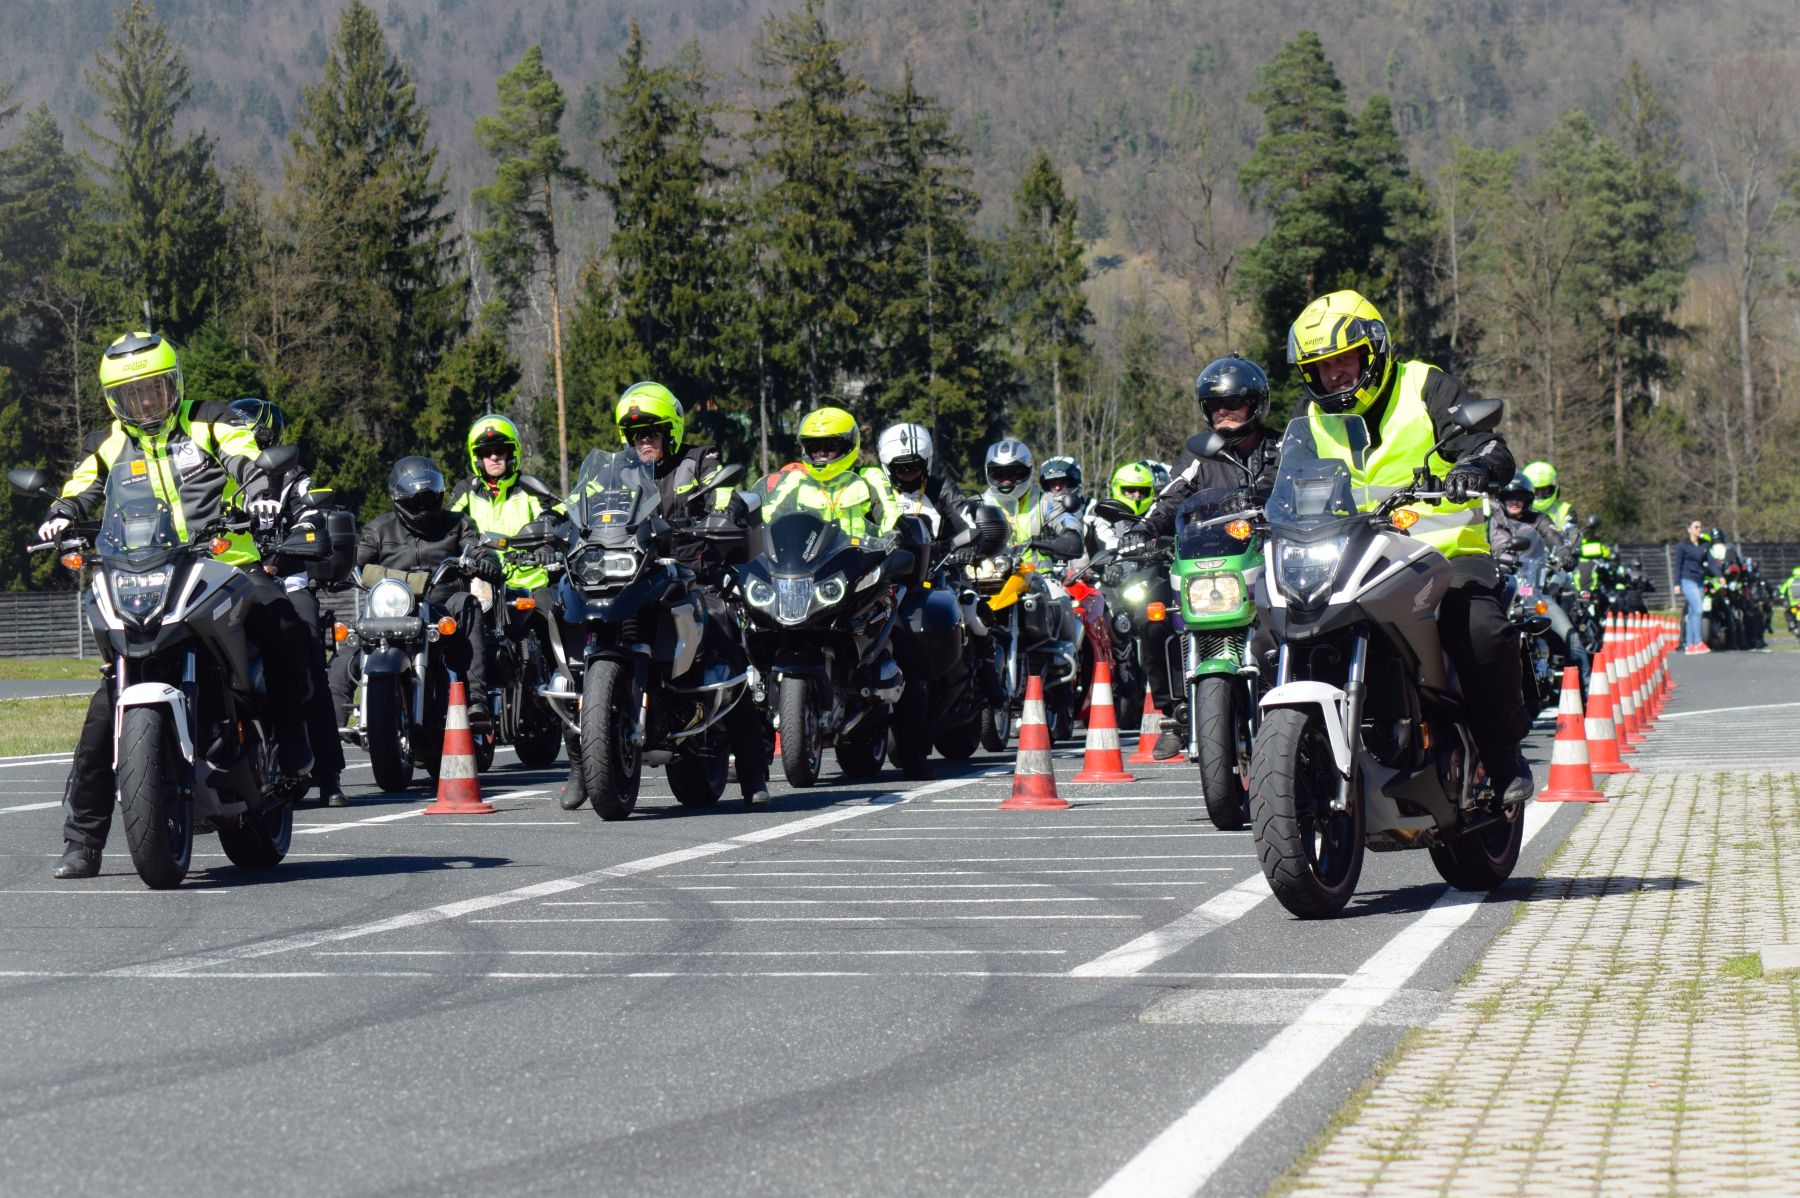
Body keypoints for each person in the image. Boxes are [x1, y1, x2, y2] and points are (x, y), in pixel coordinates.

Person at [40, 333, 317, 878]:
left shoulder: (209, 420)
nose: (146, 401)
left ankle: (292, 745)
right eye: (133, 394)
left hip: (225, 564)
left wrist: (259, 491)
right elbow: (81, 484)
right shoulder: (109, 443)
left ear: (175, 385)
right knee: (104, 707)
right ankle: (82, 841)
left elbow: (245, 456)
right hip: (144, 568)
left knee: (284, 624)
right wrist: (61, 513)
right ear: (115, 401)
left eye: (156, 389)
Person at [1286, 290, 1532, 804]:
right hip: (1352, 558)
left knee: (1480, 630)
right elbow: (1281, 482)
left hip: (1442, 553)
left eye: (1344, 359)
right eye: (1321, 367)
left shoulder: (1424, 386)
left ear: (1373, 351)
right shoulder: (1309, 419)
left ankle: (1503, 755)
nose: (1334, 375)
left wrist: (1475, 466)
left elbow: (1488, 444)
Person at [609, 381, 770, 807]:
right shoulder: (619, 471)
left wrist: (727, 512)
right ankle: (582, 763)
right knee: (588, 646)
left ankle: (753, 772)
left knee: (727, 646)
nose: (644, 441)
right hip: (633, 578)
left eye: (652, 432)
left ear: (670, 432)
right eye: (636, 434)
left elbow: (724, 492)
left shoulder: (700, 460)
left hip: (692, 576)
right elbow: (585, 503)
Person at [1125, 355, 1281, 758]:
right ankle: (1176, 710)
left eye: (1234, 403)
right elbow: (1170, 496)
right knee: (1151, 614)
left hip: (1270, 559)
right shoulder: (1200, 454)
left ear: (1256, 404)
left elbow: (1302, 487)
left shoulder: (1281, 449)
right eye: (1215, 405)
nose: (1223, 412)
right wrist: (1143, 528)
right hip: (1211, 564)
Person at [228, 398, 352, 808]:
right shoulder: (216, 475)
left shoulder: (292, 478)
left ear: (266, 436)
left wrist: (293, 542)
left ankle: (328, 773)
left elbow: (309, 516)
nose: (238, 438)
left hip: (286, 580)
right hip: (226, 583)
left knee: (306, 651)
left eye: (245, 431)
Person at [328, 457, 499, 734]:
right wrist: (336, 569)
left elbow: (477, 548)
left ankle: (475, 701)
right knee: (350, 642)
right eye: (415, 502)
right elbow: (354, 561)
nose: (423, 508)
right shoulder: (378, 530)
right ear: (398, 500)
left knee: (468, 603)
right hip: (389, 611)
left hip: (442, 609)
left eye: (430, 499)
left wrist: (486, 560)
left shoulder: (457, 524)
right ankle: (329, 728)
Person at [764, 406, 887, 536]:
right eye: (813, 446)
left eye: (830, 446)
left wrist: (893, 533)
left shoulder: (870, 477)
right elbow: (767, 517)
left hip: (860, 548)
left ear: (848, 446)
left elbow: (890, 516)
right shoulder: (796, 480)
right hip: (810, 549)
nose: (821, 453)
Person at [864, 422, 969, 548]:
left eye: (914, 466)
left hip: (939, 558)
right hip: (890, 559)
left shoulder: (942, 488)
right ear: (888, 468)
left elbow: (969, 527)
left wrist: (964, 549)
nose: (908, 472)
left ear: (926, 463)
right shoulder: (879, 491)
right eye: (901, 468)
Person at [981, 438, 1083, 563]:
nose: (1006, 480)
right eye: (998, 474)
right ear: (988, 472)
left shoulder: (1045, 502)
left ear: (1027, 470)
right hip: (989, 573)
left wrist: (1070, 535)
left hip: (1038, 573)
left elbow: (1066, 519)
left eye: (1013, 473)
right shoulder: (978, 504)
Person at [1675, 519, 1713, 654]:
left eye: (1700, 527)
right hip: (1687, 580)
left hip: (1699, 581)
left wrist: (1720, 576)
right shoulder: (1682, 545)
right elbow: (1677, 565)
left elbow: (1711, 563)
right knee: (1698, 610)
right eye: (1696, 527)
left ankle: (1689, 645)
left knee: (1692, 613)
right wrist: (1677, 584)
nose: (1699, 529)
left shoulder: (1704, 545)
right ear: (1689, 529)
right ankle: (1699, 642)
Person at [1522, 461, 1578, 539]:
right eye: (1536, 491)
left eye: (1544, 490)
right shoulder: (1517, 508)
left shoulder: (1565, 510)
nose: (1540, 495)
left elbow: (1572, 538)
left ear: (1553, 488)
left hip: (1557, 545)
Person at [1038, 456, 1087, 520]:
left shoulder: (1089, 508)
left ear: (1071, 482)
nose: (1057, 487)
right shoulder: (1040, 510)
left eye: (1062, 482)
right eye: (1053, 483)